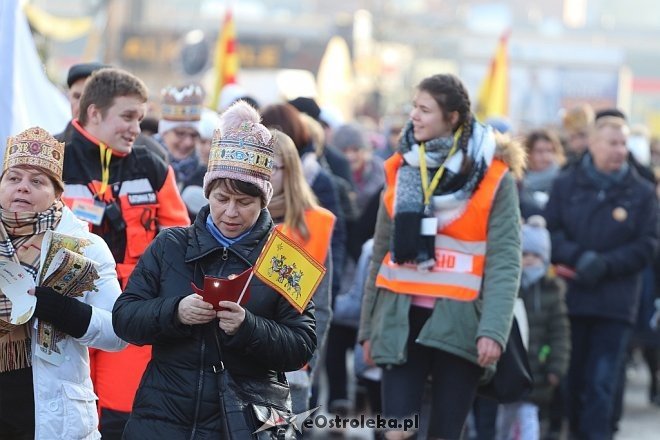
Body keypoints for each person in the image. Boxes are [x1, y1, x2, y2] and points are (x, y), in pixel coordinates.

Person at [112, 101, 316, 439]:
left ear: (263, 201)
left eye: (245, 203)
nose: (231, 212)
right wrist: (175, 312)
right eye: (222, 199)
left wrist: (248, 326)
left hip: (243, 421)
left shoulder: (284, 259)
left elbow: (302, 344)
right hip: (162, 417)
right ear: (209, 193)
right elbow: (125, 318)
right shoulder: (170, 246)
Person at [358, 73, 523, 440]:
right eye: (413, 107)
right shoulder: (401, 168)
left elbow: (505, 261)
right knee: (396, 432)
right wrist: (368, 328)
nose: (413, 116)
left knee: (445, 433)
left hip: (461, 323)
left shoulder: (494, 177)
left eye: (424, 109)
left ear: (452, 119)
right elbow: (380, 252)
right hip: (399, 318)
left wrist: (494, 330)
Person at [61, 67, 191, 438]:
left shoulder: (151, 164)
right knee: (71, 416)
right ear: (95, 113)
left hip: (133, 309)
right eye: (128, 116)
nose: (137, 127)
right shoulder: (53, 160)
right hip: (67, 308)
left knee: (123, 418)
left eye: (139, 116)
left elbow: (179, 238)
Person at [0, 127, 126, 439]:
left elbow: (119, 331)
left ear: (58, 194)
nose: (23, 188)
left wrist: (65, 311)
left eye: (37, 181)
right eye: (13, 178)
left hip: (50, 416)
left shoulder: (84, 245)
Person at [544, 115, 659, 440]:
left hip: (616, 303)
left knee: (602, 383)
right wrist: (579, 257)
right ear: (593, 144)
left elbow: (648, 244)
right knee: (572, 380)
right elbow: (551, 230)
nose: (620, 150)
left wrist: (606, 264)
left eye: (623, 143)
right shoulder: (567, 184)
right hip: (574, 298)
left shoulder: (641, 191)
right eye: (612, 143)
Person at [267, 129, 334, 413]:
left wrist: (305, 363)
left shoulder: (314, 225)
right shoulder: (230, 217)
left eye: (271, 165)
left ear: (290, 170)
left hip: (289, 365)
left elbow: (321, 308)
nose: (263, 173)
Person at [496, 216, 570, 440]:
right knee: (504, 421)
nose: (529, 260)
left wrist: (556, 367)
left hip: (537, 369)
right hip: (507, 369)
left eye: (535, 255)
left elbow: (560, 333)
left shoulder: (552, 291)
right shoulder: (508, 287)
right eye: (525, 254)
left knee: (529, 419)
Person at [55, 62, 167, 161]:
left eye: (92, 97)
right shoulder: (48, 151)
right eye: (77, 96)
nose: (82, 104)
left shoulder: (152, 158)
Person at [156, 84, 207, 190]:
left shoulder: (206, 175)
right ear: (164, 133)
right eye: (180, 133)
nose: (188, 142)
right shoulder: (143, 164)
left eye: (194, 135)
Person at [518, 128, 565, 218]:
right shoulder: (518, 182)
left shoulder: (563, 180)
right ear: (528, 153)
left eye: (550, 151)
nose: (545, 156)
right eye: (539, 151)